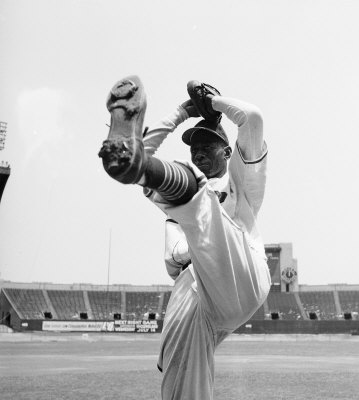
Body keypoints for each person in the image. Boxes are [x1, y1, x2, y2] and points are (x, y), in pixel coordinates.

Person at [98, 76, 271, 400]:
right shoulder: (181, 205)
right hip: (197, 296)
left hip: (241, 272)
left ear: (227, 150)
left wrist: (212, 103)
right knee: (178, 376)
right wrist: (179, 113)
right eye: (193, 148)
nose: (198, 151)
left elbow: (253, 118)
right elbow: (132, 167)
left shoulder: (240, 185)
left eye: (207, 145)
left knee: (199, 201)